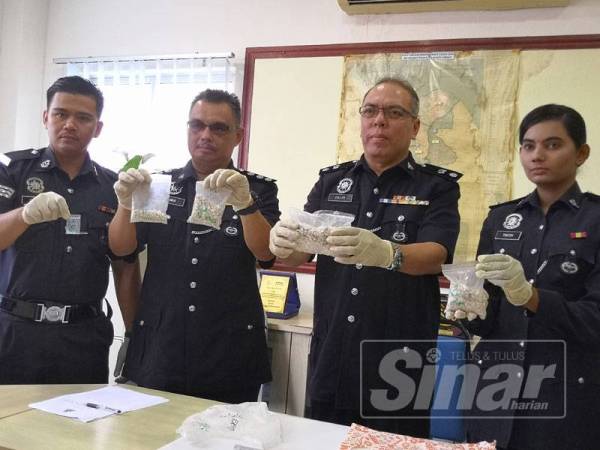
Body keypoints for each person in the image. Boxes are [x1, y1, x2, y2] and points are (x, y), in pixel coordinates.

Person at [269, 78, 461, 437]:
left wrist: (389, 254)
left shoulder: (436, 187)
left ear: (415, 126)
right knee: (324, 439)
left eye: (394, 112)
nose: (379, 121)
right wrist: (282, 241)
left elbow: (437, 253)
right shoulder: (332, 182)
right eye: (370, 111)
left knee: (393, 443)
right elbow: (300, 250)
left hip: (399, 359)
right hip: (333, 351)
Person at [108, 89, 279, 403]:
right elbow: (122, 250)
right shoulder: (159, 185)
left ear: (238, 135)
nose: (205, 135)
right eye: (196, 125)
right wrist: (125, 205)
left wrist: (246, 206)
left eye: (218, 128)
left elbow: (266, 253)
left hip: (229, 347)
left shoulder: (256, 189)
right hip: (162, 343)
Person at [464, 104, 600, 449]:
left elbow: (595, 318)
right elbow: (489, 312)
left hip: (566, 391)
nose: (537, 155)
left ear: (581, 153)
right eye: (528, 145)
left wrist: (531, 297)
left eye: (552, 145)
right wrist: (469, 310)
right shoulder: (501, 219)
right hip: (496, 386)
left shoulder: (595, 221)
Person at [0, 76, 140, 384]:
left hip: (83, 337)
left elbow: (124, 266)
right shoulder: (12, 169)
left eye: (83, 118)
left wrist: (133, 336)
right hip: (14, 333)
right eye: (61, 113)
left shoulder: (112, 186)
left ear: (97, 128)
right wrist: (24, 214)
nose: (70, 124)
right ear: (46, 117)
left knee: (76, 429)